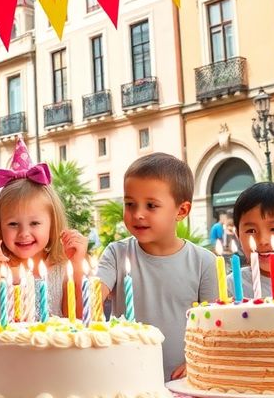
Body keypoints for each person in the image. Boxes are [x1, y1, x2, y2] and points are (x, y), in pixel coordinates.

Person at [95, 153, 218, 381]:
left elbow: (215, 327)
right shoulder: (116, 253)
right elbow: (91, 303)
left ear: (181, 211)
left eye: (151, 205)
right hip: (125, 378)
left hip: (183, 381)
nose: (137, 214)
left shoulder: (204, 262)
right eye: (130, 204)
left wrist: (200, 361)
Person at [0, 138, 87, 322]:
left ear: (52, 224)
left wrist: (78, 264)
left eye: (34, 223)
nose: (24, 233)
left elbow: (78, 317)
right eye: (13, 224)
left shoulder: (61, 267)